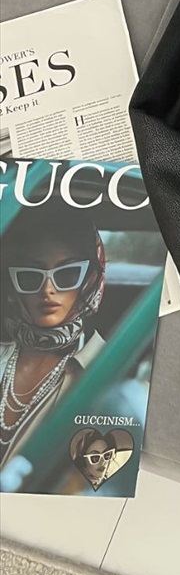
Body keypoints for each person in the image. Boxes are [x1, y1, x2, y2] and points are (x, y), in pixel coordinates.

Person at [0, 196, 108, 466]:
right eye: (29, 276)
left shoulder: (108, 366)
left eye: (67, 274)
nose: (47, 290)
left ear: (89, 280)